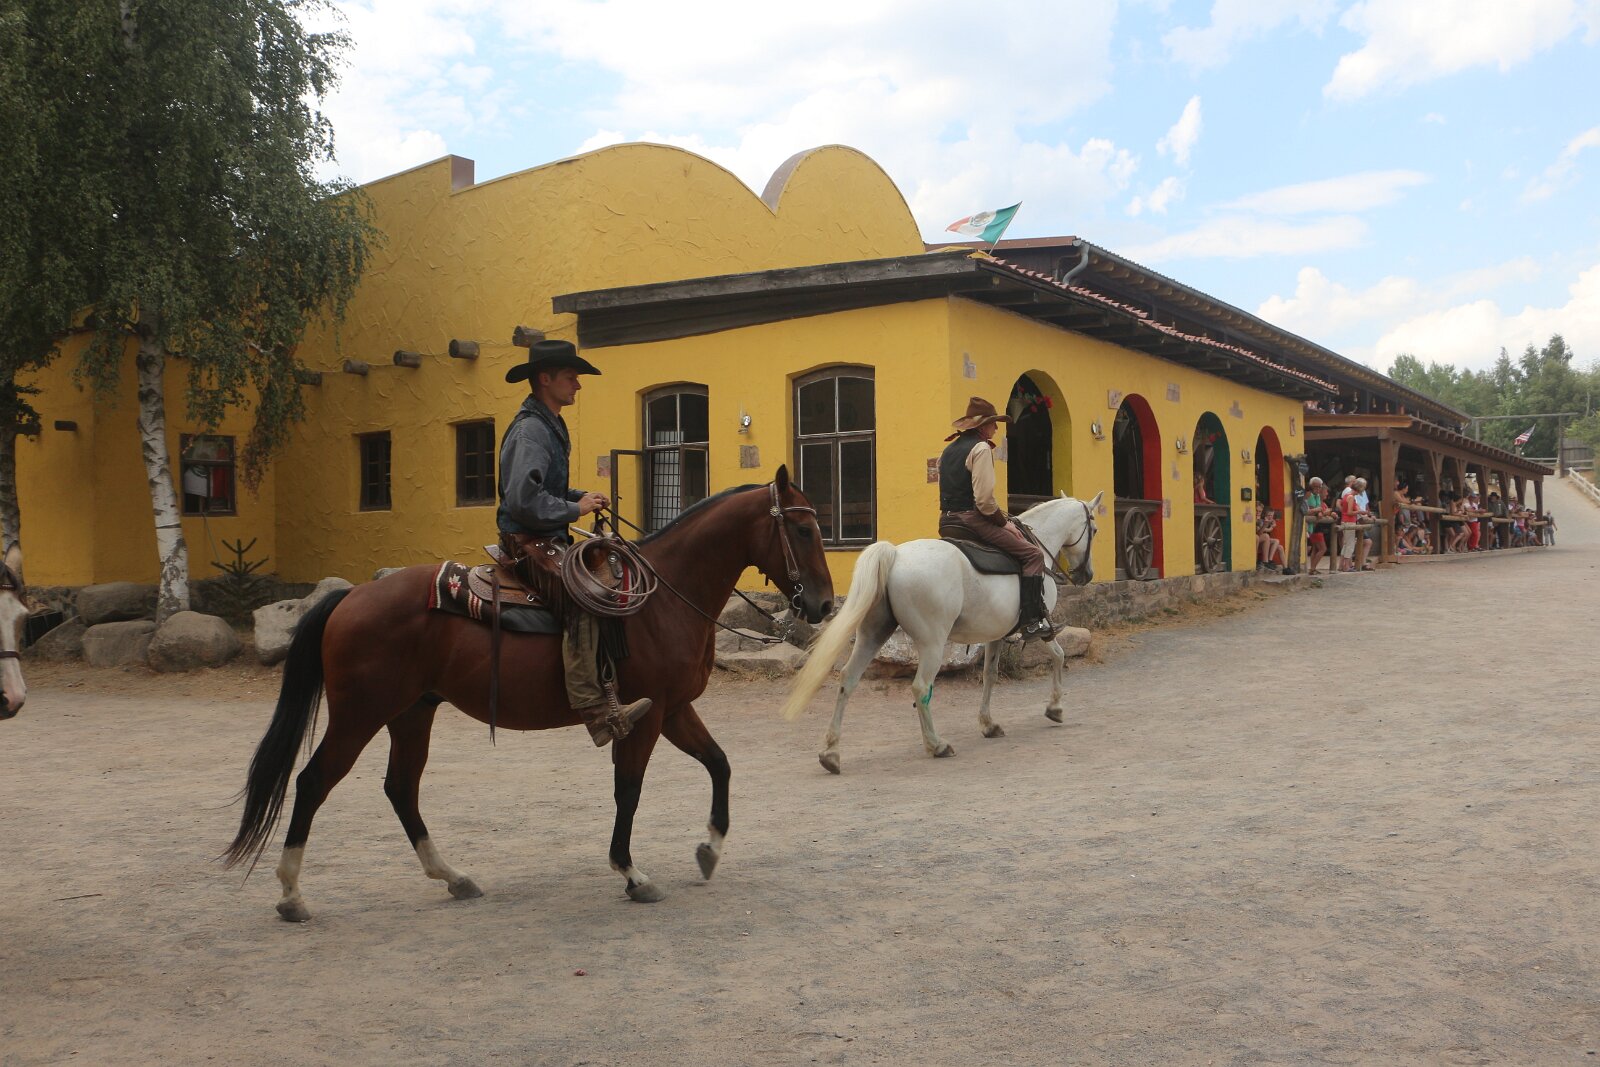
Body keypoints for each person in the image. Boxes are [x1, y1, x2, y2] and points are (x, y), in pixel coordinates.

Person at [496, 339, 652, 747]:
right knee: (584, 595)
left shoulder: (550, 424)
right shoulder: (531, 430)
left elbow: (545, 488)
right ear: (545, 379)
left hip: (545, 535)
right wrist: (574, 508)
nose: (578, 385)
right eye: (571, 377)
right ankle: (595, 711)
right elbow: (523, 499)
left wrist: (580, 497)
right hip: (525, 541)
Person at [938, 397, 1052, 640]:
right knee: (1033, 554)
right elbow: (984, 502)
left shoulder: (948, 451)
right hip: (972, 521)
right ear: (982, 426)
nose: (997, 428)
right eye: (993, 423)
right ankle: (1031, 622)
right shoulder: (980, 449)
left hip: (947, 522)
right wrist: (1004, 523)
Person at [1304, 477, 1334, 574]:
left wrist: (1320, 512)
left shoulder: (1317, 497)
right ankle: (1311, 568)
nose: (1317, 489)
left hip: (1313, 526)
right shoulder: (1309, 495)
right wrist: (1319, 511)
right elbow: (1310, 510)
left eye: (1319, 487)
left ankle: (1312, 569)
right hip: (1312, 526)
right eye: (1315, 487)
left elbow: (1319, 510)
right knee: (1321, 548)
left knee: (1314, 548)